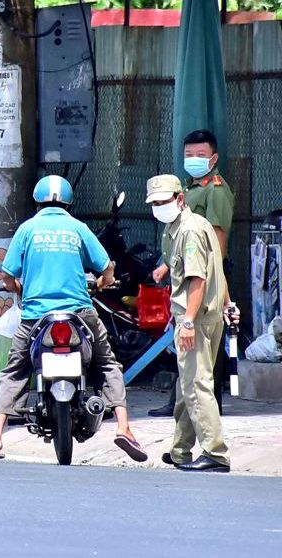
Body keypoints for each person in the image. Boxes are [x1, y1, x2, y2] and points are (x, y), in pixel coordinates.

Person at [0, 175, 147, 463]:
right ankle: (124, 427)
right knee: (106, 364)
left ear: (37, 200)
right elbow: (106, 269)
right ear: (68, 201)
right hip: (79, 312)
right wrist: (104, 283)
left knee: (15, 371)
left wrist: (17, 288)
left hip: (35, 317)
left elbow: (6, 275)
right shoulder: (78, 228)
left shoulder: (27, 229)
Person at [147, 174, 232, 472]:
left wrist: (187, 323)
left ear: (180, 199)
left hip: (195, 317)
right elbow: (217, 269)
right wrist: (227, 303)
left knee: (198, 385)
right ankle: (180, 449)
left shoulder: (190, 231)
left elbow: (199, 278)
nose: (159, 207)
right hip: (204, 314)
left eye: (164, 201)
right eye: (155, 203)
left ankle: (215, 452)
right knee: (187, 385)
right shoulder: (185, 226)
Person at [150, 129, 235, 417]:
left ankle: (211, 412)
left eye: (201, 155)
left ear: (214, 158)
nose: (194, 160)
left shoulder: (217, 191)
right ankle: (184, 413)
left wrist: (220, 290)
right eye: (189, 155)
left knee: (205, 354)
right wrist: (165, 266)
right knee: (188, 352)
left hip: (207, 276)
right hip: (186, 274)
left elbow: (217, 244)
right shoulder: (187, 189)